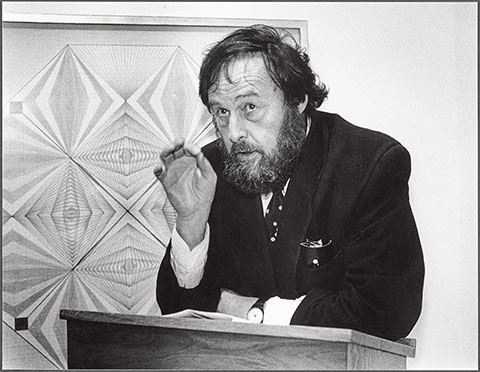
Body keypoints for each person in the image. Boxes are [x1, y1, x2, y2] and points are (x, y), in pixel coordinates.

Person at [154, 24, 424, 341]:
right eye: (222, 112)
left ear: (297, 100)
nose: (234, 133)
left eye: (249, 107)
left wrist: (259, 312)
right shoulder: (212, 167)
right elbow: (175, 306)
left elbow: (386, 309)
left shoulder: (370, 163)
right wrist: (190, 222)